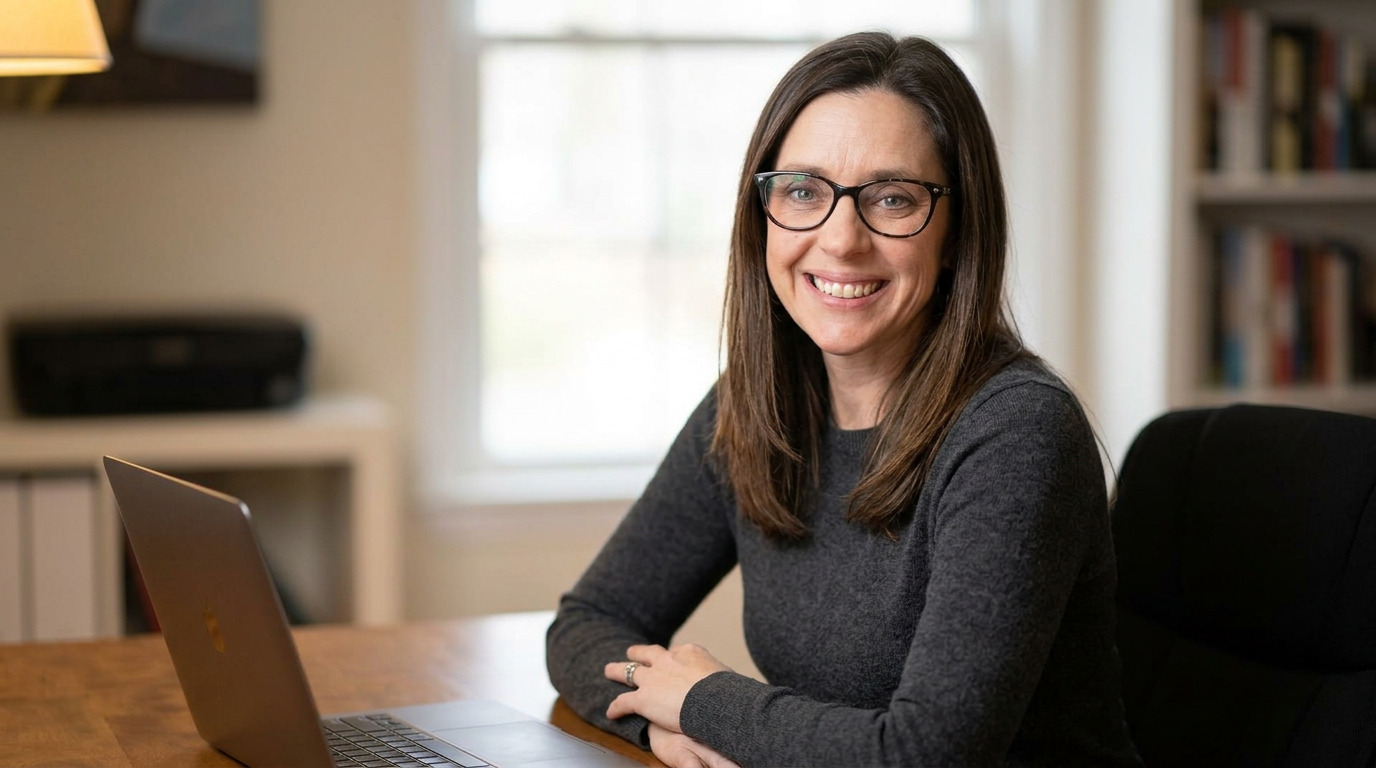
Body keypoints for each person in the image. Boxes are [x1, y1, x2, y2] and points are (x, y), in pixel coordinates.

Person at [546, 31, 1141, 768]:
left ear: (956, 232)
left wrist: (703, 702)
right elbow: (586, 623)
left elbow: (924, 755)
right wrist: (662, 726)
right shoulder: (756, 405)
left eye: (893, 199)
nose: (840, 239)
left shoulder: (1017, 433)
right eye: (803, 190)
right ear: (762, 213)